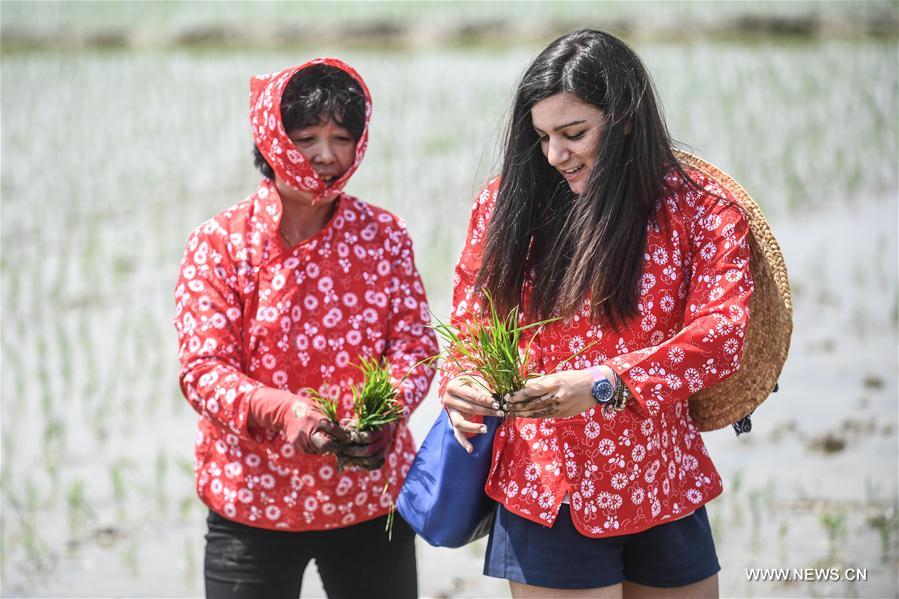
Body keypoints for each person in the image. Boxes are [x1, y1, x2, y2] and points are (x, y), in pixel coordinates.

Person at [440, 30, 754, 598]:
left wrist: (606, 384)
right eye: (542, 137)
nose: (556, 154)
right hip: (548, 486)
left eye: (574, 133)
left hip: (665, 480)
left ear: (626, 119)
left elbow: (723, 334)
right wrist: (462, 384)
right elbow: (472, 325)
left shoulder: (699, 208)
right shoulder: (508, 203)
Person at [174, 58, 437, 599]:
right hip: (253, 503)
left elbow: (414, 345)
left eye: (342, 137)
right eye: (306, 137)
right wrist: (286, 410)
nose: (325, 155)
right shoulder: (221, 243)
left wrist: (385, 414)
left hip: (367, 496)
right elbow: (204, 371)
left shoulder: (384, 235)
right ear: (273, 138)